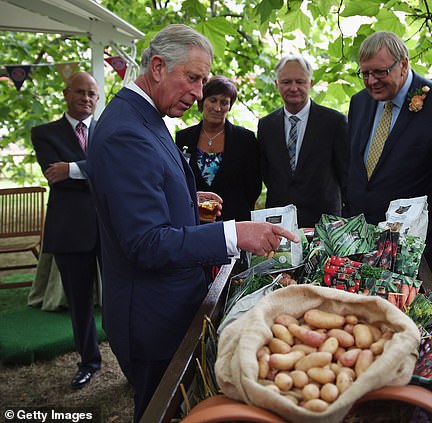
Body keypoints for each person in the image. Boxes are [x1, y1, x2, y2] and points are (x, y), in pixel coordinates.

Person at [86, 24, 298, 422]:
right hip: (152, 318)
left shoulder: (146, 116)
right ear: (158, 67)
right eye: (194, 78)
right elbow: (146, 242)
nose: (200, 94)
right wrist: (236, 234)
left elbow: (147, 195)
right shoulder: (125, 133)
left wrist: (185, 200)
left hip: (170, 307)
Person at [346, 31, 432, 286]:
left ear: (403, 64)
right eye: (365, 74)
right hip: (360, 241)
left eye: (380, 72)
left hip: (414, 249)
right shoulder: (359, 103)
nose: (371, 81)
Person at [31, 71, 101, 389]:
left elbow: (116, 168)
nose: (86, 98)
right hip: (70, 231)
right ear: (65, 94)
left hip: (110, 228)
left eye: (92, 94)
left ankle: (128, 356)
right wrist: (94, 171)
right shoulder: (44, 133)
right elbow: (52, 174)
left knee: (118, 295)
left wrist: (72, 168)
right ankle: (89, 361)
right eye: (80, 92)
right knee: (80, 301)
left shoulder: (106, 132)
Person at [258, 55, 348, 228]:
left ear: (310, 83)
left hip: (324, 223)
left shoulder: (334, 122)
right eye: (286, 82)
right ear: (277, 85)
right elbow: (266, 173)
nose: (293, 88)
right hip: (280, 222)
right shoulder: (266, 125)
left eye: (300, 81)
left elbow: (345, 175)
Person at [176, 76, 261, 222]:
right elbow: (179, 182)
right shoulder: (184, 138)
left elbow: (253, 187)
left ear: (230, 106)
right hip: (193, 223)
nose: (217, 108)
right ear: (202, 102)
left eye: (224, 102)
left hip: (234, 224)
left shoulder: (245, 139)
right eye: (213, 100)